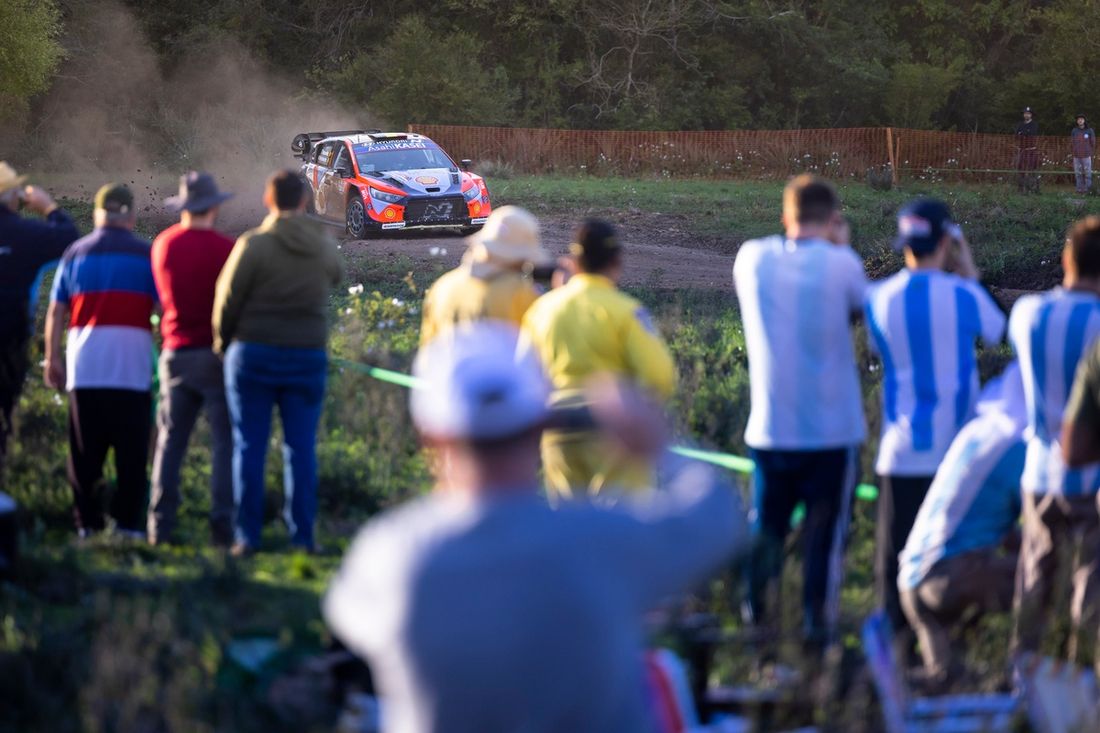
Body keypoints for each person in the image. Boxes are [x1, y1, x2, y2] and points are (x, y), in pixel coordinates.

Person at [323, 322, 746, 733]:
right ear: (540, 424)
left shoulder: (388, 556)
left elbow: (347, 614)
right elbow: (718, 516)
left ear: (430, 436)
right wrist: (658, 445)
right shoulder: (603, 543)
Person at [732, 174, 866, 651]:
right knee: (823, 542)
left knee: (766, 532)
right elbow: (858, 313)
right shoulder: (843, 263)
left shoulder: (751, 258)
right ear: (832, 219)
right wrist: (840, 245)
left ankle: (757, 630)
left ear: (785, 216)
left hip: (771, 429)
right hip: (832, 433)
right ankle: (816, 635)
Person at [865, 198, 1006, 644]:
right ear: (947, 241)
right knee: (951, 558)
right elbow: (998, 332)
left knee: (894, 564)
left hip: (900, 452)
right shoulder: (964, 295)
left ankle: (895, 651)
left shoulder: (878, 298)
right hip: (955, 453)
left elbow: (874, 350)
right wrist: (969, 270)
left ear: (905, 244)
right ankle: (951, 648)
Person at [214, 170, 343, 555]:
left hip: (253, 353)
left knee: (249, 446)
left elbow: (227, 299)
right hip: (306, 353)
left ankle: (247, 536)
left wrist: (223, 343)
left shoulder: (253, 244)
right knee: (300, 448)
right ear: (304, 201)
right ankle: (303, 536)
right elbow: (338, 276)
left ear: (268, 200)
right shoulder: (322, 245)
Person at [519, 219, 676, 500]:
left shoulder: (543, 309)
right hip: (615, 429)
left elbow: (522, 373)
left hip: (559, 429)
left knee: (570, 518)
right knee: (622, 519)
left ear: (574, 262)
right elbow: (660, 376)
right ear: (616, 262)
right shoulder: (625, 312)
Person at [1008, 215, 1100, 666]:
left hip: (1040, 471)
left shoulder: (1028, 313)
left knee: (1033, 583)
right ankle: (1085, 681)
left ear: (1067, 259)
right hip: (1091, 479)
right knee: (1091, 592)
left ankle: (1023, 677)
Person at [898, 363, 1026, 686]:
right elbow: (1045, 530)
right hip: (951, 577)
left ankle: (885, 692)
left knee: (949, 683)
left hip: (912, 582)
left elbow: (992, 525)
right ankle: (1030, 677)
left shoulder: (977, 432)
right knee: (1049, 577)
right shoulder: (1016, 446)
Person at [44, 184, 157, 538]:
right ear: (132, 216)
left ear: (96, 215)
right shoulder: (147, 254)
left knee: (84, 453)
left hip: (85, 368)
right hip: (132, 367)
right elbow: (162, 309)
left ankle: (87, 524)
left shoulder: (75, 253)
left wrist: (51, 357)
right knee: (132, 452)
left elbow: (56, 310)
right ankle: (127, 525)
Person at [147, 172, 236, 547]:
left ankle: (160, 524)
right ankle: (222, 525)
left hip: (175, 352)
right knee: (224, 443)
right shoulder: (227, 249)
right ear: (213, 207)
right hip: (215, 355)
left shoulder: (163, 245)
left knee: (170, 443)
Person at [0, 162, 79, 475]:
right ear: (13, 196)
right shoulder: (26, 234)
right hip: (11, 338)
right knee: (5, 408)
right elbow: (69, 237)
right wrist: (48, 207)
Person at [419, 205, 548, 346]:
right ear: (522, 257)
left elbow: (428, 345)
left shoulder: (443, 287)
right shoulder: (521, 292)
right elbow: (539, 346)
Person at [1016, 107, 1040, 194]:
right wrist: (1024, 133)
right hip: (1022, 150)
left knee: (1032, 168)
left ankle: (1033, 188)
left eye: (1028, 113)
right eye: (1025, 113)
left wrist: (1023, 133)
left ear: (1031, 115)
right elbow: (1017, 134)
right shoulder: (1020, 124)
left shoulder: (1034, 124)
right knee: (1021, 168)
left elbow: (1031, 133)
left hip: (1031, 150)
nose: (1026, 115)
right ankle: (1021, 188)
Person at [1071, 114, 1095, 194]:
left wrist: (1089, 151)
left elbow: (1093, 142)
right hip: (1076, 156)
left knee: (1088, 173)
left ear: (1084, 120)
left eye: (1081, 119)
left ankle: (1088, 190)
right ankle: (1079, 190)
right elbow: (1072, 142)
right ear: (1077, 121)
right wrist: (1075, 150)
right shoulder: (1074, 130)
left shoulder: (1089, 130)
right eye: (1078, 119)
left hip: (1086, 155)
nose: (1080, 120)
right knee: (1078, 173)